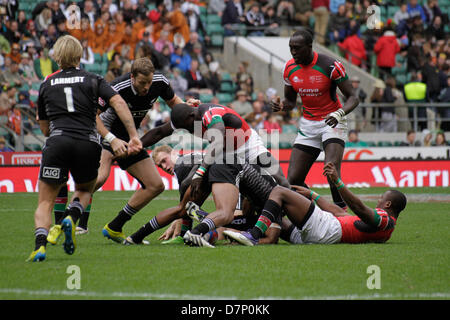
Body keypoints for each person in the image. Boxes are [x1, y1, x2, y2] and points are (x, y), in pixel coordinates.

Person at [27, 35, 142, 262]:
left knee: (45, 202)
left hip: (58, 141)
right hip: (88, 143)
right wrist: (132, 136)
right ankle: (72, 216)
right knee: (84, 190)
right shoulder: (94, 79)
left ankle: (40, 246)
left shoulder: (46, 83)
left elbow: (44, 128)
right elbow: (118, 102)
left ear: (57, 57)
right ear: (80, 56)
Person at [83, 57, 186, 240]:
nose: (146, 87)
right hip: (107, 133)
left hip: (130, 139)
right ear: (132, 77)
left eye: (149, 82)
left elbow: (174, 103)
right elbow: (92, 116)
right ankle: (74, 217)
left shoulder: (159, 82)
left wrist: (189, 109)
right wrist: (111, 139)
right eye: (142, 82)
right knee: (100, 177)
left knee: (155, 185)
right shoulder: (117, 87)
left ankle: (115, 226)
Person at [272, 28, 359, 209]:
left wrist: (339, 113)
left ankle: (341, 212)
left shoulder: (331, 65)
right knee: (293, 180)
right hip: (308, 125)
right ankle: (316, 211)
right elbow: (290, 101)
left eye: (297, 48)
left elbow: (353, 97)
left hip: (332, 120)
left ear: (310, 47)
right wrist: (281, 106)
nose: (293, 52)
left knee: (330, 170)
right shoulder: (289, 68)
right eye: (291, 48)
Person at [125, 145, 281, 246]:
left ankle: (138, 236)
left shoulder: (182, 164)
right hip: (228, 174)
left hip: (226, 174)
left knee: (221, 216)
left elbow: (183, 205)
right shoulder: (188, 161)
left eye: (164, 161)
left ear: (173, 153)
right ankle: (198, 230)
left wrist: (181, 217)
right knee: (226, 217)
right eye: (160, 166)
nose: (165, 167)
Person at [224, 162, 407, 246]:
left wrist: (338, 182)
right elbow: (340, 213)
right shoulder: (383, 229)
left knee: (279, 192)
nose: (378, 200)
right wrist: (313, 195)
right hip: (320, 233)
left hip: (325, 229)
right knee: (272, 212)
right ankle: (228, 231)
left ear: (388, 204)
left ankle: (253, 236)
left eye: (382, 198)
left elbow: (358, 208)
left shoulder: (385, 220)